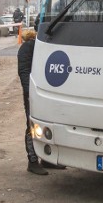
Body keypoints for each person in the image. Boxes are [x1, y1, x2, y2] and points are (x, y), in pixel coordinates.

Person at [17, 16, 66, 175]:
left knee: (49, 124)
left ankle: (47, 158)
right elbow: (24, 72)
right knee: (32, 126)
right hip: (33, 94)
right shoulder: (28, 47)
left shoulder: (48, 46)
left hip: (49, 94)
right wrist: (30, 92)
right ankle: (32, 160)